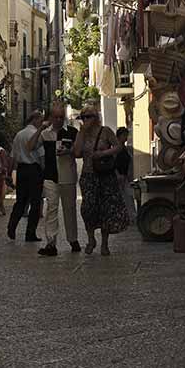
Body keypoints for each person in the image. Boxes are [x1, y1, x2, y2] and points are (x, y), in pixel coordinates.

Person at [74, 104, 130, 256]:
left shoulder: (105, 131)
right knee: (88, 208)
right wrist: (82, 132)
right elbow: (77, 153)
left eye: (89, 116)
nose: (86, 119)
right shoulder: (82, 133)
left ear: (96, 117)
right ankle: (91, 239)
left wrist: (104, 153)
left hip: (105, 175)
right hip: (88, 175)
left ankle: (104, 244)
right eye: (84, 116)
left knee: (106, 209)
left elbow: (118, 147)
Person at [27, 101, 80, 257]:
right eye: (55, 117)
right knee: (51, 209)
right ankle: (51, 243)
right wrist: (40, 129)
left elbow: (79, 152)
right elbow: (30, 147)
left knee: (69, 209)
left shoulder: (72, 132)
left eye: (61, 117)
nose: (58, 120)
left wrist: (69, 152)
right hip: (50, 176)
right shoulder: (45, 134)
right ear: (50, 117)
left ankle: (73, 239)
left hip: (68, 176)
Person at [7, 111, 45, 242]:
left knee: (20, 201)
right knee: (35, 202)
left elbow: (13, 156)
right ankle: (30, 233)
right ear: (35, 119)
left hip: (22, 170)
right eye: (40, 120)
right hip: (34, 169)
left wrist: (10, 173)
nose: (41, 123)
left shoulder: (19, 135)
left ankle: (12, 226)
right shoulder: (36, 134)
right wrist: (44, 171)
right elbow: (41, 155)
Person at [115, 127, 137, 225]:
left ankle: (130, 217)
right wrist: (118, 175)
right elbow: (112, 163)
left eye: (126, 135)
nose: (126, 137)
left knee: (128, 197)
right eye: (124, 135)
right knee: (121, 198)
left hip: (125, 177)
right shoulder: (115, 148)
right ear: (119, 136)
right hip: (118, 177)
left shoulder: (126, 148)